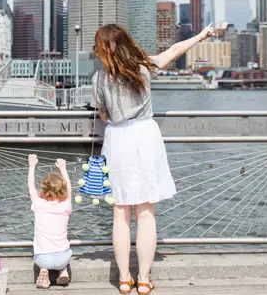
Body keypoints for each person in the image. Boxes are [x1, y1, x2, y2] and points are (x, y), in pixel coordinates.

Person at [91, 23, 213, 294]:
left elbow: (103, 117)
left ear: (105, 49)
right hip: (146, 137)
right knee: (146, 214)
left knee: (120, 214)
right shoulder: (143, 67)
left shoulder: (100, 78)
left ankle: (124, 279)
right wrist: (202, 35)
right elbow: (175, 50)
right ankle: (144, 280)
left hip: (118, 139)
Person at [27, 154, 73, 289]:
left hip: (42, 258)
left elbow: (30, 186)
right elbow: (69, 188)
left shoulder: (38, 204)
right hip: (63, 257)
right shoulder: (65, 205)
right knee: (62, 254)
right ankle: (63, 271)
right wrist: (63, 169)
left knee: (44, 257)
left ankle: (44, 270)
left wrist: (32, 166)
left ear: (42, 190)